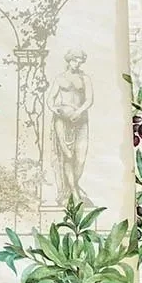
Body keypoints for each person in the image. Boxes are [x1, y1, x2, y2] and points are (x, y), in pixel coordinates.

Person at [46, 48, 93, 205]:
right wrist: (55, 110)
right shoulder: (60, 78)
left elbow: (89, 100)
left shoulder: (85, 79)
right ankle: (73, 192)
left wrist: (78, 112)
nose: (77, 63)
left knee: (80, 158)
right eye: (74, 60)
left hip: (81, 121)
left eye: (79, 61)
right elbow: (50, 100)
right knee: (68, 155)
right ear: (69, 60)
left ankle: (72, 187)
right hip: (62, 120)